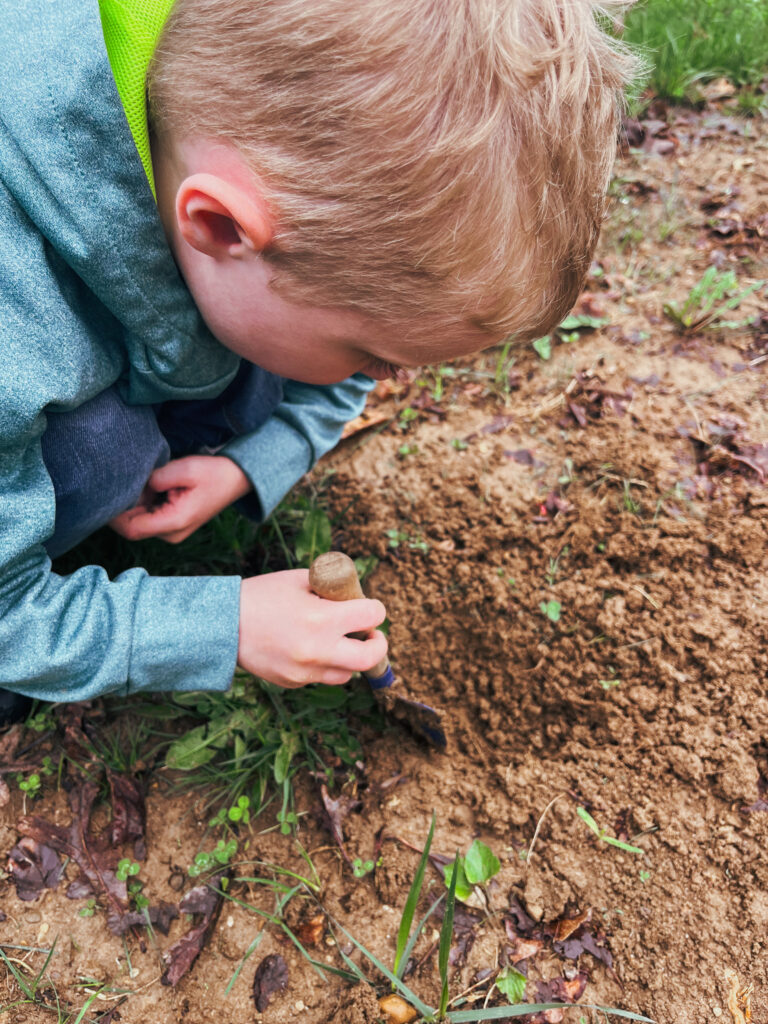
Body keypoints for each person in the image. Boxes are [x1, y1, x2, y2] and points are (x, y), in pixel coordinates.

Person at [0, 0, 634, 724]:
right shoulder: (14, 319)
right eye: (372, 354)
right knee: (106, 455)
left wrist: (254, 461)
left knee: (282, 347)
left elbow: (330, 359)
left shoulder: (236, 155)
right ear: (216, 227)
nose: (384, 380)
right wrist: (222, 623)